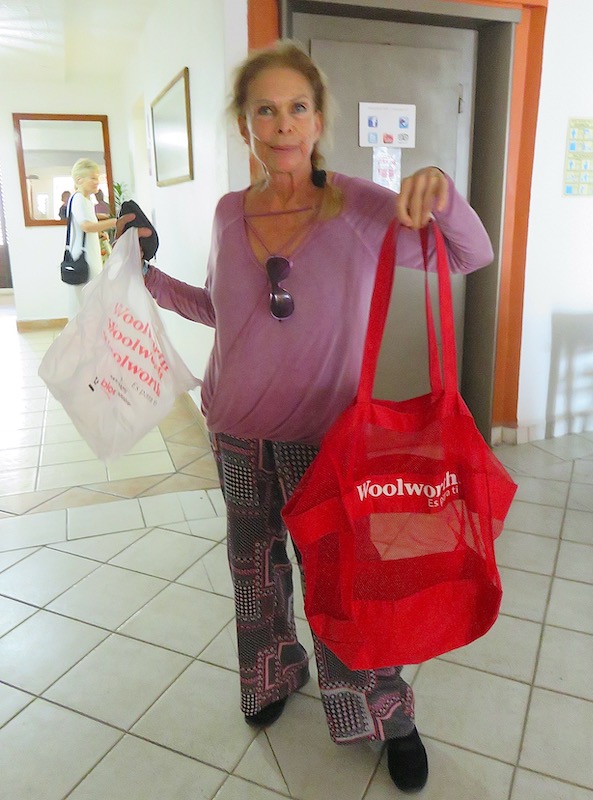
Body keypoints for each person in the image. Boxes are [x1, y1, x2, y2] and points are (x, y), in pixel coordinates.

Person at [117, 41, 494, 794]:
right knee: (253, 572)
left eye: (297, 107)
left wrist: (443, 191)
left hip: (326, 440)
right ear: (244, 125)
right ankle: (272, 673)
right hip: (234, 431)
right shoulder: (228, 212)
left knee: (347, 587)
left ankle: (386, 714)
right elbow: (220, 309)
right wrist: (144, 273)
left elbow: (467, 255)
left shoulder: (359, 207)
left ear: (318, 120)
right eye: (265, 110)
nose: (282, 123)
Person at [68, 159, 117, 311]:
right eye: (93, 178)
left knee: (91, 303)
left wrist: (100, 232)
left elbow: (85, 225)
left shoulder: (85, 200)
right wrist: (114, 222)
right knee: (90, 304)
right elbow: (86, 226)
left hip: (88, 256)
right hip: (85, 259)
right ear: (79, 180)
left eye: (98, 178)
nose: (97, 182)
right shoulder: (79, 199)